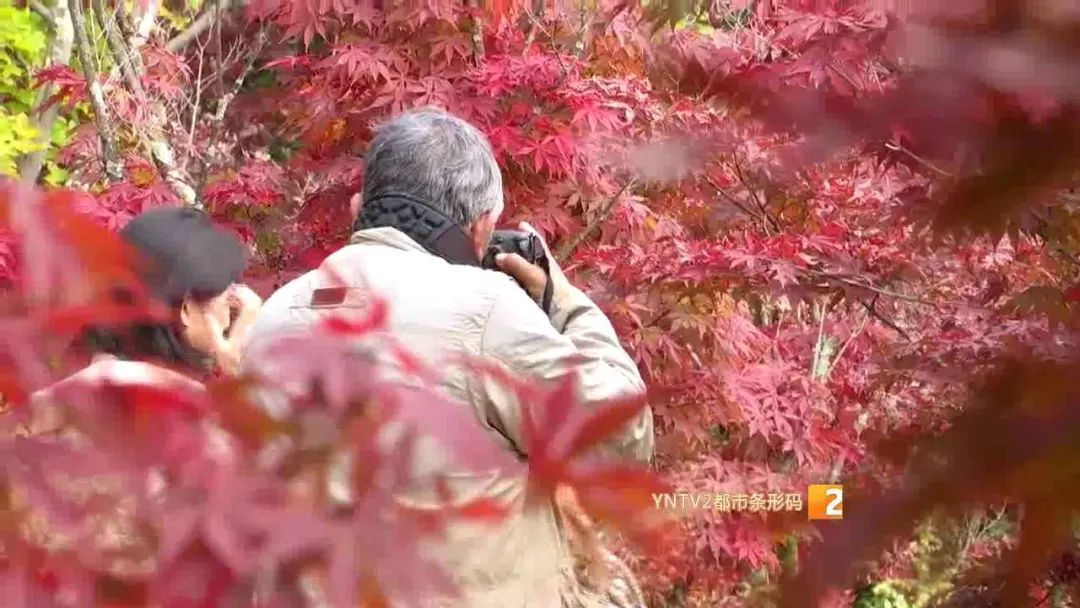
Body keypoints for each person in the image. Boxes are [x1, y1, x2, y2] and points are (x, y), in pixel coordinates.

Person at [241, 107, 653, 607]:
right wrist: (565, 302)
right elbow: (618, 439)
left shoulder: (277, 314)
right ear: (481, 229)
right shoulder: (483, 308)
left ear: (357, 209)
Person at [30, 207, 262, 433]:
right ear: (186, 310)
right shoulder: (181, 411)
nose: (231, 318)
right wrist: (238, 367)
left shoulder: (79, 392)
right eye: (229, 301)